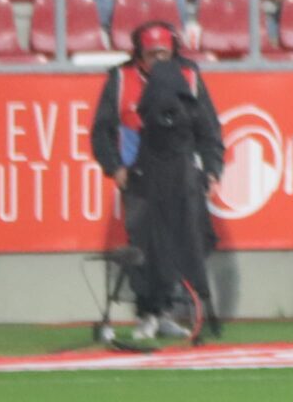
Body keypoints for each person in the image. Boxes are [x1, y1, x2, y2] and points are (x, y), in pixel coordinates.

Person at [91, 22, 224, 345]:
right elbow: (101, 131)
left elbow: (209, 130)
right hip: (139, 178)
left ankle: (168, 311)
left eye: (163, 53)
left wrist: (212, 170)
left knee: (184, 242)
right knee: (143, 245)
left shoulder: (189, 78)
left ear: (173, 51)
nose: (158, 60)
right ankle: (147, 312)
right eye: (152, 54)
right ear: (139, 54)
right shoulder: (120, 79)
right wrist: (114, 167)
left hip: (181, 176)